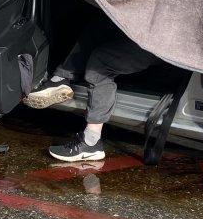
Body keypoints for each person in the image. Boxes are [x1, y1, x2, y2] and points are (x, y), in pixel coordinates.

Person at [44, 16, 159, 162]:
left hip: (159, 43)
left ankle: (91, 142)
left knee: (100, 63)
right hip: (145, 29)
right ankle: (62, 78)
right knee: (100, 24)